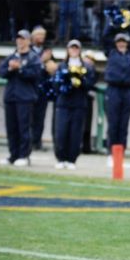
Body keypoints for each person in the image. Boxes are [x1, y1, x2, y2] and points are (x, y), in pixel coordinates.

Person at [102, 14, 130, 165]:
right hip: (113, 90)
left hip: (127, 91)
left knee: (124, 125)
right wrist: (113, 23)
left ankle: (120, 154)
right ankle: (111, 153)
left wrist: (129, 24)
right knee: (113, 124)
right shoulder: (110, 52)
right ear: (115, 43)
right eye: (119, 41)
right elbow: (105, 37)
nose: (121, 43)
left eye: (124, 41)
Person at [0, 29, 42, 166]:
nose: (20, 41)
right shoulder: (11, 56)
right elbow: (2, 72)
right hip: (11, 96)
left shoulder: (33, 57)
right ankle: (13, 155)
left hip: (25, 97)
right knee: (11, 128)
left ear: (29, 41)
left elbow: (35, 74)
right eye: (18, 38)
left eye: (23, 39)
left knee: (24, 128)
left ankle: (24, 155)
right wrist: (11, 69)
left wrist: (20, 69)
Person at [53, 39, 95, 169]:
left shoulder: (86, 67)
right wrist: (67, 82)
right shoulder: (61, 66)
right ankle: (61, 158)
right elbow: (56, 84)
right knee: (61, 132)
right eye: (72, 48)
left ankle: (72, 159)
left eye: (76, 48)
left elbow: (90, 84)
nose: (74, 50)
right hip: (64, 103)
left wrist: (80, 80)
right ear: (68, 49)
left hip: (79, 104)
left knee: (75, 133)